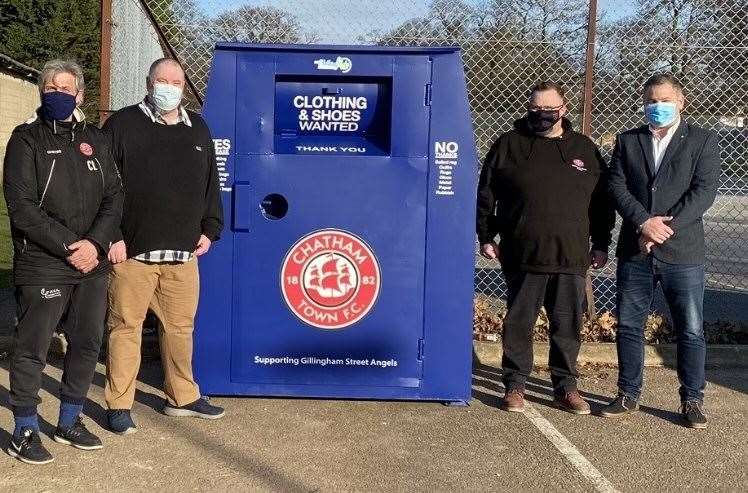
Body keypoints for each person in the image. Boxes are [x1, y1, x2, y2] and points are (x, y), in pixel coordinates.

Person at [3, 59, 123, 464]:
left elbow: (114, 198)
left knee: (87, 342)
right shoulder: (26, 139)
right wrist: (71, 245)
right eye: (50, 85)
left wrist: (95, 243)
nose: (57, 91)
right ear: (41, 91)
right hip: (44, 261)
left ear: (80, 94)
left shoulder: (95, 139)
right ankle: (24, 428)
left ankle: (69, 420)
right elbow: (21, 208)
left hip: (93, 262)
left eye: (65, 86)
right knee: (33, 347)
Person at [102, 58, 224, 434]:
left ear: (184, 86)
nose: (168, 87)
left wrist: (210, 226)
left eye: (176, 81)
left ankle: (183, 397)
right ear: (148, 83)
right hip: (133, 253)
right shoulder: (121, 125)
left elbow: (210, 184)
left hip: (182, 255)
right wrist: (111, 235)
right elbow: (104, 186)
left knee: (180, 328)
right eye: (162, 80)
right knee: (125, 327)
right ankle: (119, 403)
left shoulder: (198, 128)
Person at [476, 81, 614, 414]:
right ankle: (515, 384)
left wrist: (601, 242)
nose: (541, 115)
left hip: (571, 255)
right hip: (523, 254)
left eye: (549, 109)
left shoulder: (584, 149)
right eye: (535, 109)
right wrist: (485, 236)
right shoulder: (509, 145)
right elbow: (486, 195)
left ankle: (565, 387)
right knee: (519, 324)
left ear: (564, 109)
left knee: (566, 326)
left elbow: (602, 203)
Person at [601, 74, 719, 429]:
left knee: (690, 328)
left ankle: (692, 399)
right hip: (636, 250)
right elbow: (616, 185)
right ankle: (628, 393)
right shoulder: (627, 140)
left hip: (682, 251)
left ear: (681, 102)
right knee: (630, 326)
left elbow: (704, 192)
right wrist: (642, 223)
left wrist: (663, 229)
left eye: (664, 100)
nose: (657, 106)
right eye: (651, 100)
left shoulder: (702, 140)